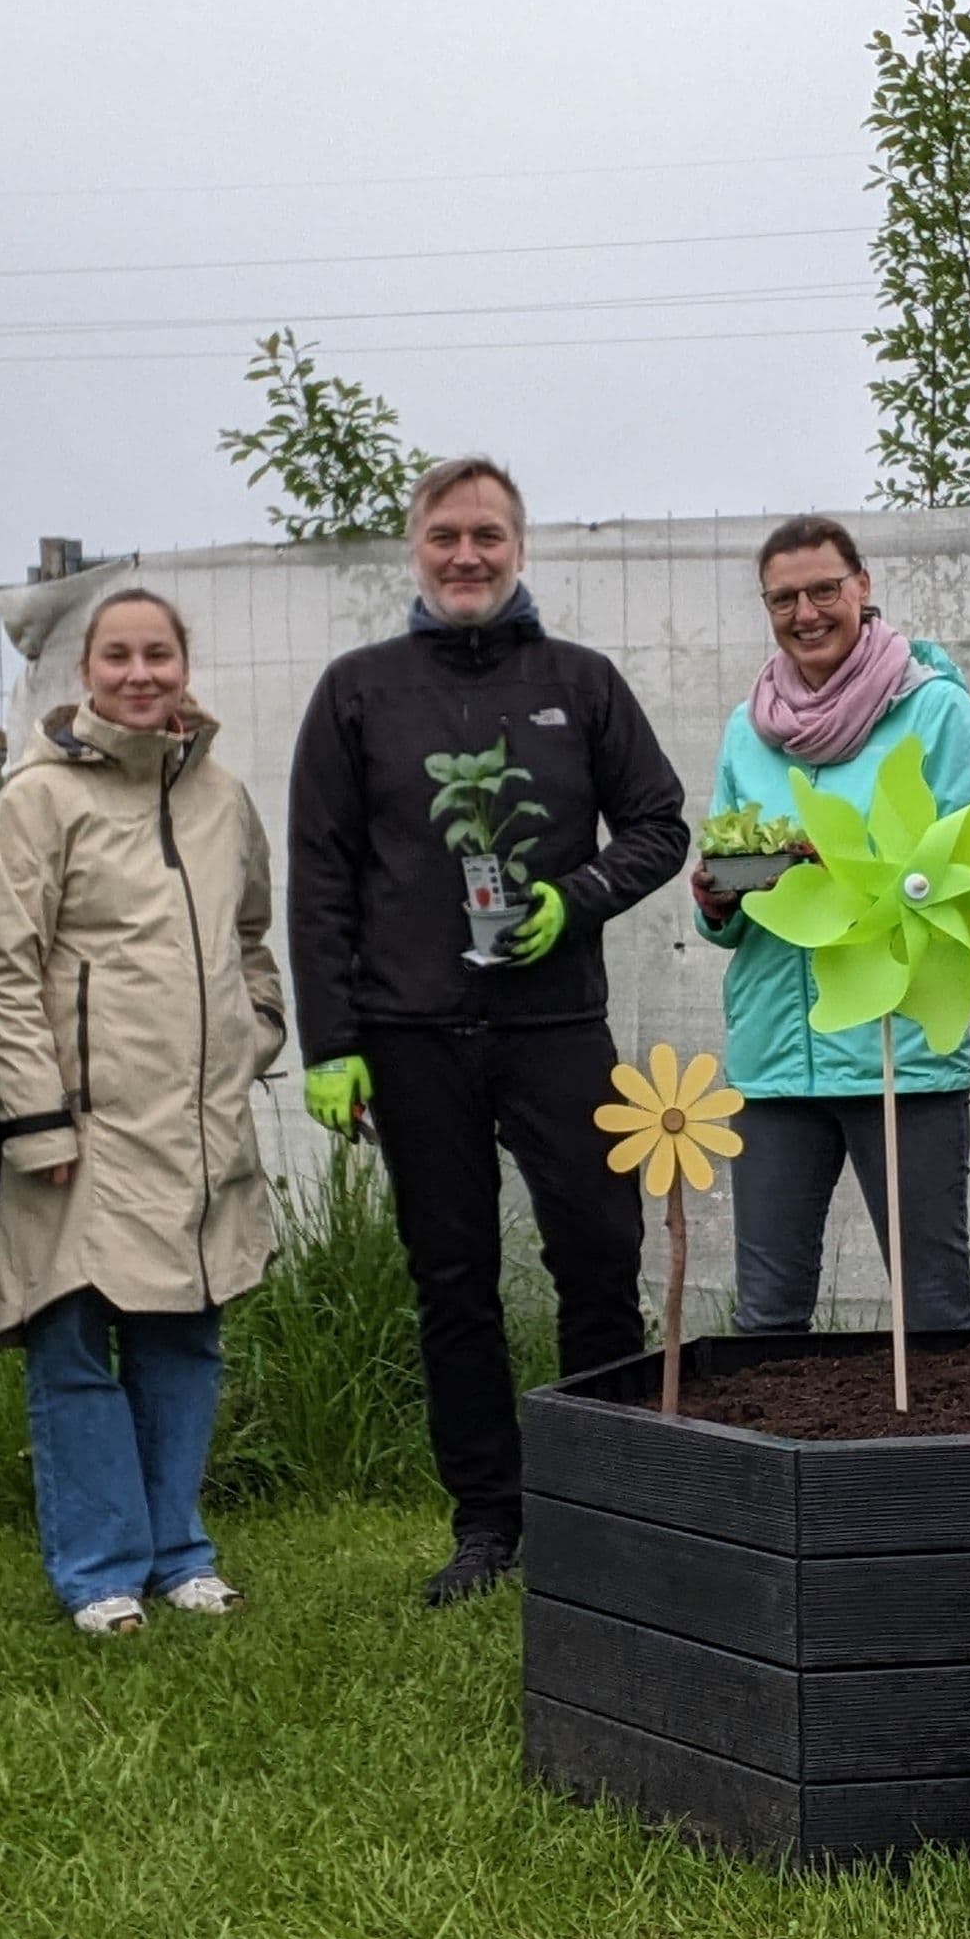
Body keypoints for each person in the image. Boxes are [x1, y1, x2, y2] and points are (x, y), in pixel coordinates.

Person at [287, 456, 691, 1605]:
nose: (467, 555)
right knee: (452, 1276)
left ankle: (603, 1501)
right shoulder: (358, 690)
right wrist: (332, 1043)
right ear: (413, 547)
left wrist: (578, 895)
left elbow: (659, 826)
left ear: (521, 548)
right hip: (409, 1035)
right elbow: (319, 874)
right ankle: (488, 1519)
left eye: (490, 536)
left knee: (598, 1260)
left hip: (557, 1024)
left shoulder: (582, 681)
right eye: (445, 536)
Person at [0, 587, 284, 1635]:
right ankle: (102, 1570)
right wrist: (36, 1118)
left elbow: (250, 942)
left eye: (158, 654)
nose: (139, 674)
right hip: (81, 1129)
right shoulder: (35, 801)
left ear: (182, 667)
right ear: (84, 672)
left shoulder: (223, 798)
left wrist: (255, 1038)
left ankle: (179, 1554)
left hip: (195, 1128)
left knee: (184, 1339)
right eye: (117, 656)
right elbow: (0, 968)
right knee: (74, 1343)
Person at [697, 518, 970, 1332]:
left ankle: (939, 1466)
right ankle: (783, 1466)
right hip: (774, 1060)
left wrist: (851, 872)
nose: (806, 612)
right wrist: (717, 901)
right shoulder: (746, 727)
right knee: (766, 1319)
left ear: (863, 587)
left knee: (933, 1314)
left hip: (898, 1052)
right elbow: (734, 876)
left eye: (824, 589)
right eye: (784, 597)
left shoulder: (934, 712)